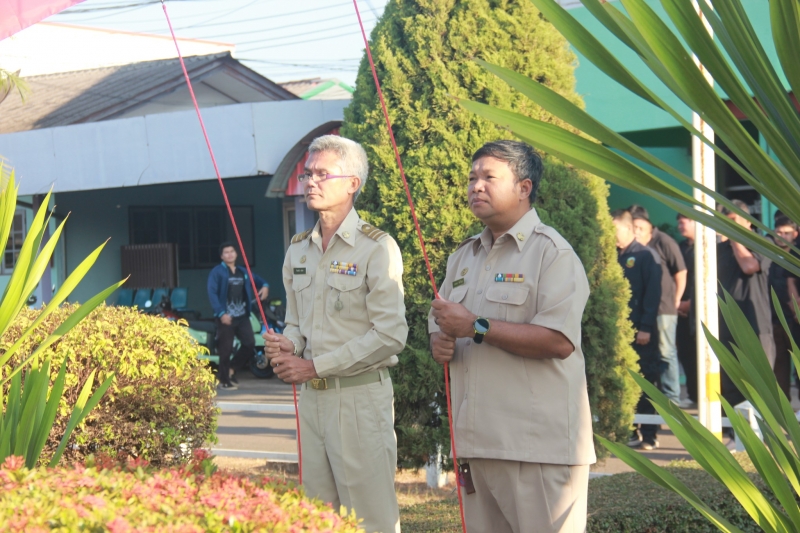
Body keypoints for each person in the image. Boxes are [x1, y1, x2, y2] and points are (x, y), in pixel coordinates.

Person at [429, 140, 594, 533]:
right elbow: (441, 321)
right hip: (476, 445)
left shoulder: (552, 253)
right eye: (472, 178)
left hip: (537, 448)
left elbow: (559, 341)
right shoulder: (463, 256)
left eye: (489, 177)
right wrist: (439, 341)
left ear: (524, 187)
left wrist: (477, 326)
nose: (476, 186)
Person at [262, 135, 408, 533]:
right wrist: (288, 344)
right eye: (308, 174)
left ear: (352, 184)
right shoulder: (298, 250)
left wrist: (313, 366)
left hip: (359, 398)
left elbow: (391, 335)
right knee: (317, 516)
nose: (311, 181)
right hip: (313, 401)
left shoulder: (376, 248)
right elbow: (297, 324)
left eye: (322, 174)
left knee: (370, 519)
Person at [612, 209, 663, 450]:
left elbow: (652, 295)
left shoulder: (645, 255)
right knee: (624, 382)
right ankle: (629, 431)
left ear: (629, 229)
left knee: (646, 381)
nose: (611, 234)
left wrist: (645, 327)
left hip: (642, 333)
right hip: (620, 333)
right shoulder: (613, 255)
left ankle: (650, 434)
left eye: (615, 229)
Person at [717, 200, 774, 407]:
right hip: (726, 326)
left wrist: (734, 239)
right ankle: (733, 426)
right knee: (731, 384)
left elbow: (749, 266)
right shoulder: (719, 250)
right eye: (725, 221)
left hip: (755, 325)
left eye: (733, 220)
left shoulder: (762, 243)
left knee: (760, 386)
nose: (728, 225)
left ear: (747, 221)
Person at [629, 205, 688, 407]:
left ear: (648, 225)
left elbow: (681, 272)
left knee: (666, 351)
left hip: (664, 307)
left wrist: (677, 299)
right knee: (651, 355)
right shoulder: (633, 248)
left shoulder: (664, 241)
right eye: (633, 227)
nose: (636, 231)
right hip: (644, 310)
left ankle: (673, 399)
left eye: (639, 227)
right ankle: (655, 397)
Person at [207, 242, 269, 390]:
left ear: (236, 254)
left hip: (242, 316)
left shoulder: (243, 271)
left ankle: (231, 369)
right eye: (226, 252)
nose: (230, 254)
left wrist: (265, 286)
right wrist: (221, 313)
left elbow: (260, 281)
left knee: (249, 343)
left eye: (232, 251)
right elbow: (212, 293)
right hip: (225, 318)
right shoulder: (217, 272)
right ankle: (224, 380)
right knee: (226, 349)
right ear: (222, 256)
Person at [770, 216, 799, 399]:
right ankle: (783, 407)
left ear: (795, 234)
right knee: (779, 365)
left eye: (786, 233)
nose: (781, 236)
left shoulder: (796, 256)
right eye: (778, 232)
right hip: (774, 320)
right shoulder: (768, 255)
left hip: (795, 320)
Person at [676, 213, 697, 407]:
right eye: (679, 223)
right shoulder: (680, 248)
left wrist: (691, 303)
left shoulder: (708, 247)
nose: (680, 226)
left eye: (684, 222)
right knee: (686, 353)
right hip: (680, 309)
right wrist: (678, 303)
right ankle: (693, 395)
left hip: (700, 309)